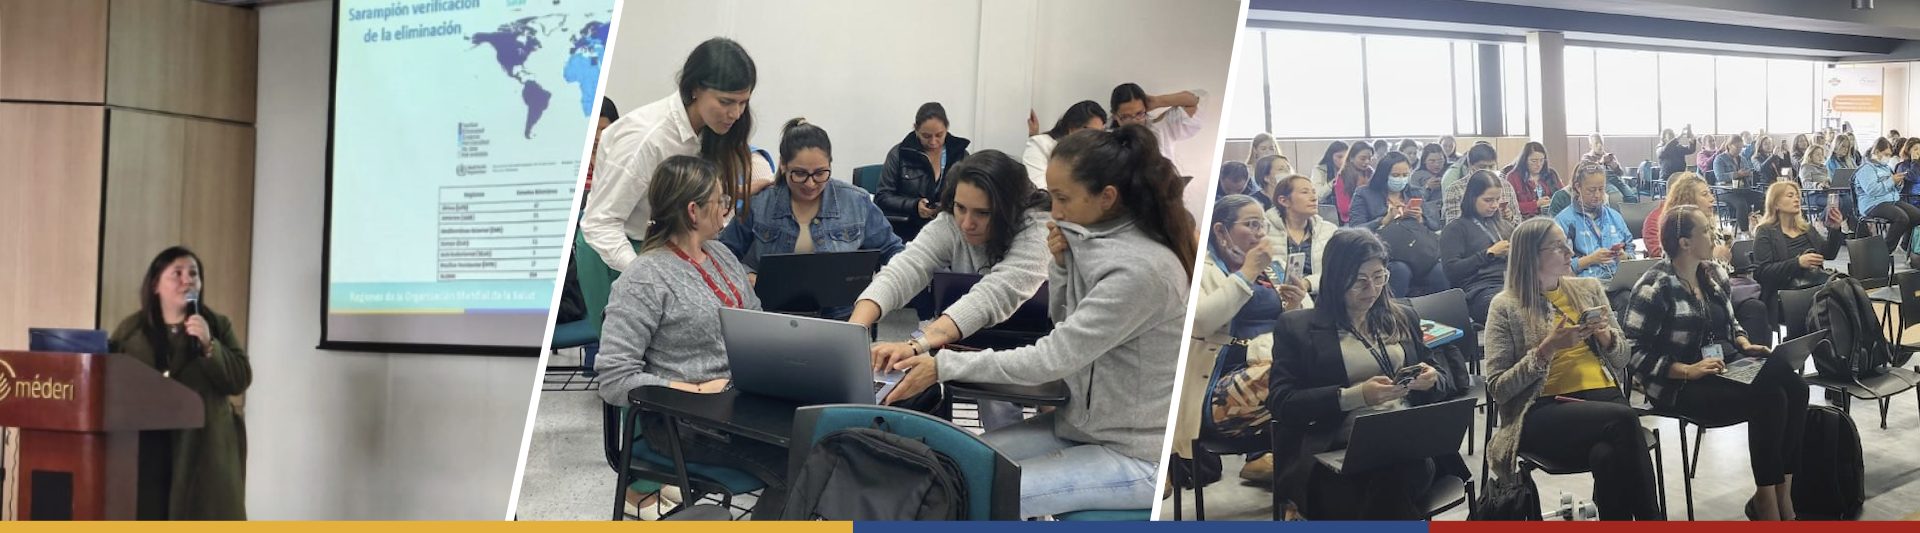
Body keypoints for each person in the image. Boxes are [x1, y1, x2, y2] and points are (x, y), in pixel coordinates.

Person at [879, 125, 1195, 518]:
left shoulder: (1140, 270)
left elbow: (1052, 358)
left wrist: (942, 365)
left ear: (1107, 197)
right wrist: (1061, 267)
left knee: (968, 497)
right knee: (952, 468)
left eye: (1062, 198)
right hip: (1080, 428)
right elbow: (1064, 323)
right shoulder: (1093, 240)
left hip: (1136, 455)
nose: (1054, 210)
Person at [595, 156, 789, 518]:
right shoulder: (644, 279)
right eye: (721, 200)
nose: (727, 208)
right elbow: (613, 379)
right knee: (796, 463)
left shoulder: (721, 254)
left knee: (821, 436)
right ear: (693, 211)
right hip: (681, 420)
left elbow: (756, 321)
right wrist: (695, 390)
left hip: (739, 405)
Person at [1623, 205, 1809, 521]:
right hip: (1679, 384)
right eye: (1706, 231)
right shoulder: (1655, 286)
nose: (1714, 237)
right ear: (1684, 242)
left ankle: (1781, 495)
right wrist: (1686, 370)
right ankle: (1768, 503)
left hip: (1721, 366)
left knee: (1794, 390)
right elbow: (1633, 352)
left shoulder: (1712, 274)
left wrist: (1744, 343)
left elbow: (1730, 322)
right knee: (1774, 393)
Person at [1268, 229, 1462, 520]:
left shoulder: (1403, 316)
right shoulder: (1297, 327)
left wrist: (1432, 379)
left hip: (1406, 447)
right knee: (1387, 493)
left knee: (1395, 476)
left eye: (1379, 277)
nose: (1371, 289)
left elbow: (1442, 379)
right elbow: (1282, 402)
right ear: (1335, 278)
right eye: (1359, 281)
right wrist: (1355, 396)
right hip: (1333, 451)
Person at [853, 150, 1051, 429]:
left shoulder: (1038, 225)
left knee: (1039, 413)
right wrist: (854, 329)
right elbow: (905, 268)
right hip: (975, 335)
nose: (967, 223)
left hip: (1041, 339)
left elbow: (994, 295)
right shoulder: (951, 221)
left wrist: (916, 344)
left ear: (1010, 209)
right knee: (996, 417)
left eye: (983, 213)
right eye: (960, 208)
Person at [1483, 218, 1664, 521]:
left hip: (1603, 398)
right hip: (1543, 409)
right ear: (1531, 255)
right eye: (1557, 246)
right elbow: (1499, 389)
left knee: (1607, 455)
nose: (1569, 252)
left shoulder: (1588, 289)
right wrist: (1546, 350)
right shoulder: (1505, 306)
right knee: (1623, 418)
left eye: (1566, 243)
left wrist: (1606, 338)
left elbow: (1622, 359)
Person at [585, 37, 773, 271]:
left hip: (664, 249)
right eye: (726, 102)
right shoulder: (648, 138)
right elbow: (600, 223)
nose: (735, 113)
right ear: (695, 89)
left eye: (743, 102)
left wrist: (734, 193)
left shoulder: (711, 131)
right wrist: (642, 273)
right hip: (616, 251)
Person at [108, 247, 250, 520]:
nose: (187, 281)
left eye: (193, 274)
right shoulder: (131, 331)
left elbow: (240, 380)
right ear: (155, 285)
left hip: (204, 449)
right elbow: (112, 382)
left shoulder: (217, 326)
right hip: (147, 448)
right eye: (177, 273)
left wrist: (209, 345)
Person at [719, 118, 906, 319]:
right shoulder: (760, 204)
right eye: (799, 174)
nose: (810, 184)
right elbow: (721, 255)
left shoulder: (856, 201)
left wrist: (875, 291)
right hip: (773, 314)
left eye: (820, 173)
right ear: (783, 165)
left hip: (841, 317)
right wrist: (747, 275)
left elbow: (895, 253)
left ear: (830, 165)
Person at [1181, 194, 1309, 486]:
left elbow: (1305, 325)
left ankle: (1293, 481)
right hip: (1218, 388)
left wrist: (1295, 306)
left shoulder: (1273, 268)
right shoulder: (1201, 268)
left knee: (1317, 373)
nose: (1260, 233)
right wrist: (1247, 272)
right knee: (1290, 374)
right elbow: (1200, 322)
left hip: (1271, 374)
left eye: (1262, 225)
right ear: (1221, 231)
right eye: (1251, 225)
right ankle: (1283, 473)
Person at [1349, 151, 1446, 297]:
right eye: (1395, 175)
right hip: (1385, 253)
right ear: (1383, 175)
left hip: (1417, 250)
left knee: (1440, 270)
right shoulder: (1364, 193)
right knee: (1400, 270)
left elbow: (1434, 226)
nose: (1401, 179)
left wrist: (1420, 218)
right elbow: (1355, 230)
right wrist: (1384, 220)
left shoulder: (1415, 192)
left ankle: (1443, 309)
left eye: (1405, 175)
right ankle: (1392, 309)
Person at [878, 102, 972, 241]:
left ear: (947, 129)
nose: (933, 142)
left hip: (949, 230)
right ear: (916, 130)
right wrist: (914, 205)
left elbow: (970, 197)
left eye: (939, 135)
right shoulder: (900, 153)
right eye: (926, 136)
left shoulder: (960, 155)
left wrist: (945, 207)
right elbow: (883, 197)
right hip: (908, 229)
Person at [1753, 181, 1844, 311]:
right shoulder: (1765, 231)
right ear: (1776, 203)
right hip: (1785, 293)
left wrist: (1835, 230)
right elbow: (1762, 273)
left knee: (1848, 291)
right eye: (1790, 196)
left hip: (1814, 286)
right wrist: (1798, 263)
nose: (1796, 199)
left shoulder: (1806, 229)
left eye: (1797, 196)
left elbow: (1829, 254)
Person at [1439, 170, 1515, 323]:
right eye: (1488, 200)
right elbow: (1452, 271)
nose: (1494, 205)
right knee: (1513, 307)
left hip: (1511, 282)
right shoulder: (1456, 229)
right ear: (1472, 198)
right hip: (1479, 291)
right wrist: (1489, 254)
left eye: (1497, 199)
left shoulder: (1503, 225)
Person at [1555, 165, 1633, 280]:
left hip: (1618, 281)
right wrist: (1591, 259)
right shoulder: (1564, 221)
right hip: (1585, 284)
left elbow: (1630, 248)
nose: (1597, 195)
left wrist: (1625, 257)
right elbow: (1558, 265)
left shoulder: (1614, 216)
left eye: (1601, 189)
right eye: (1591, 190)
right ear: (1578, 187)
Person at [1268, 174, 1340, 297]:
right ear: (1284, 201)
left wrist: (1308, 283)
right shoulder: (1264, 231)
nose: (1314, 198)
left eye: (1314, 192)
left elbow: (1337, 273)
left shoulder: (1329, 230)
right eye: (1305, 192)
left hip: (1319, 296)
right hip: (1277, 296)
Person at [1109, 83, 1206, 175]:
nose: (1134, 122)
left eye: (1139, 114)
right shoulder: (1107, 142)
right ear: (1114, 115)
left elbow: (1195, 101)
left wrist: (1157, 101)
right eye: (1125, 117)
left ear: (1146, 110)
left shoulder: (1160, 128)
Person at [1642, 173, 1731, 263]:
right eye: (1704, 194)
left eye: (1710, 193)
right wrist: (1711, 254)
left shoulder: (1709, 225)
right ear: (1689, 200)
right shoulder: (1670, 226)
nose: (1712, 199)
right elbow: (1662, 258)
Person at [1024, 100, 1108, 189]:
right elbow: (1038, 188)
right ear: (1072, 128)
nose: (1096, 138)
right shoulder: (1041, 144)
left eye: (1100, 133)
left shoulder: (1096, 155)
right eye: (1091, 132)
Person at [1856, 136, 1920, 251]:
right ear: (1876, 152)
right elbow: (1872, 190)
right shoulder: (1866, 169)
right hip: (1872, 204)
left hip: (1890, 200)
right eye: (1886, 154)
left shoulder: (1885, 168)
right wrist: (1891, 181)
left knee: (1916, 216)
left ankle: (1906, 245)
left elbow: (1894, 189)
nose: (1888, 157)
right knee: (1901, 218)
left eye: (1890, 155)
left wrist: (1898, 183)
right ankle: (1884, 251)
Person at [1442, 143, 1517, 225]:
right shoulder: (1455, 190)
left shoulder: (1505, 186)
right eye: (1482, 167)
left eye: (1491, 166)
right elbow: (1453, 226)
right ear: (1470, 165)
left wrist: (1510, 217)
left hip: (1503, 231)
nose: (1488, 171)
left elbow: (1518, 220)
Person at [1713, 135, 1763, 233]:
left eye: (1741, 147)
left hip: (1741, 189)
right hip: (1725, 191)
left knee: (1761, 197)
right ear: (1729, 146)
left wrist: (1748, 174)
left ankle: (1760, 225)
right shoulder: (1719, 159)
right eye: (1737, 147)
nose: (1739, 149)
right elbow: (1720, 177)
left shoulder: (1742, 159)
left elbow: (1747, 173)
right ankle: (1744, 231)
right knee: (1741, 204)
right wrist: (1737, 174)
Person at [1506, 142, 1562, 218]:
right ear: (1524, 160)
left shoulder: (1551, 174)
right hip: (1525, 220)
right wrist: (1536, 204)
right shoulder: (1513, 177)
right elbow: (1510, 207)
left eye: (1541, 160)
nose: (1538, 164)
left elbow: (1563, 196)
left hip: (1552, 217)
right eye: (1534, 161)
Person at [1333, 141, 1376, 224]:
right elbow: (1344, 209)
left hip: (1372, 217)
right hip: (1352, 220)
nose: (1367, 162)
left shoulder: (1371, 172)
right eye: (1363, 158)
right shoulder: (1343, 177)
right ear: (1351, 158)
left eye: (1370, 158)